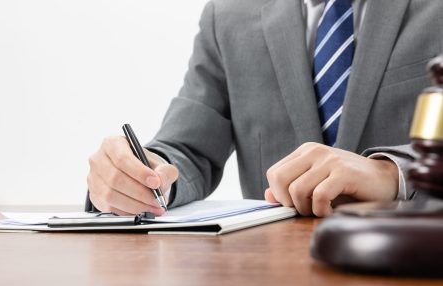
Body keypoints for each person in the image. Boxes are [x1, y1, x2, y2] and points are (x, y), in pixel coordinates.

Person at [86, 0, 443, 217]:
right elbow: (186, 150)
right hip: (271, 264)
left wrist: (392, 174)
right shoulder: (226, 18)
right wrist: (142, 175)